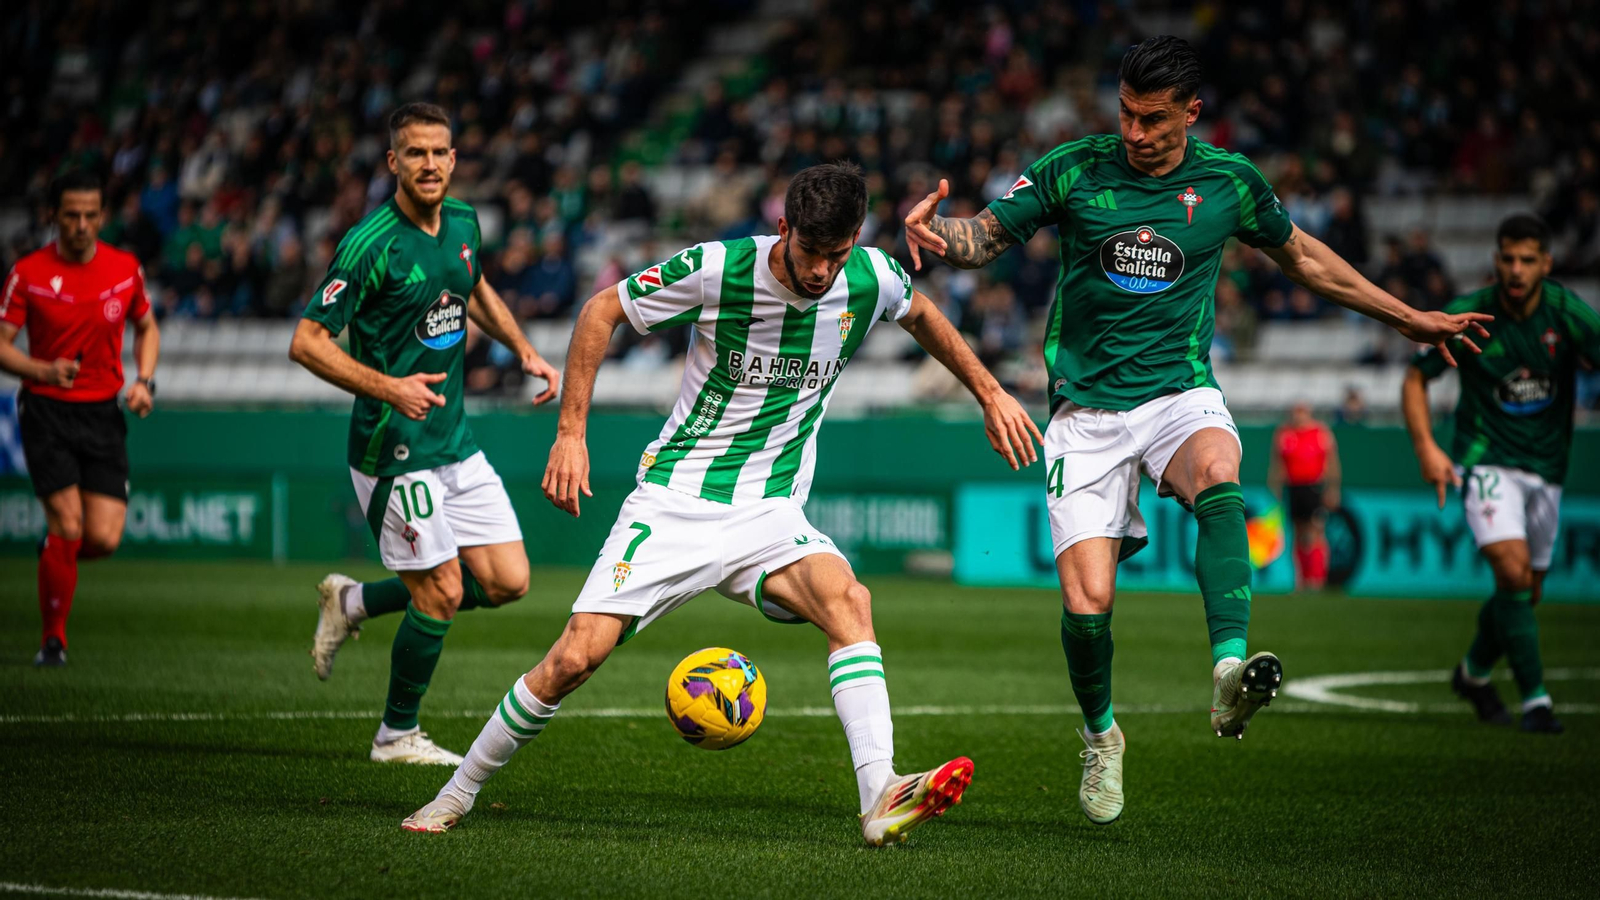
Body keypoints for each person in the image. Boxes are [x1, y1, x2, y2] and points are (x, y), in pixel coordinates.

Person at [903, 36, 1492, 826]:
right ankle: (1101, 735)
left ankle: (1226, 670)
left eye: (1151, 119)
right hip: (1086, 413)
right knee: (1089, 604)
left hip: (1180, 391)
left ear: (1191, 112)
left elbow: (1310, 262)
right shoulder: (1074, 168)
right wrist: (943, 238)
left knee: (1219, 473)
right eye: (1124, 114)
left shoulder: (1228, 184)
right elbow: (988, 236)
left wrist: (1409, 318)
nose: (1134, 133)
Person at [401, 163, 1043, 846]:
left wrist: (990, 391)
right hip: (676, 500)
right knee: (574, 660)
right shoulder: (718, 268)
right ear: (782, 228)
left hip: (769, 513)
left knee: (849, 601)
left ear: (855, 239)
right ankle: (457, 790)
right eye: (809, 252)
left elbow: (922, 315)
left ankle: (879, 792)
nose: (823, 271)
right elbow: (601, 311)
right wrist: (570, 433)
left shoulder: (872, 277)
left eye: (837, 253)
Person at [288, 103, 562, 765]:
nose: (430, 164)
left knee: (507, 581)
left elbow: (476, 288)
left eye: (440, 152)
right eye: (415, 153)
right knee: (439, 591)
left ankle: (352, 600)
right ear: (393, 163)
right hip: (392, 450)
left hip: (454, 441)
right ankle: (394, 736)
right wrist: (390, 388)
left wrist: (523, 349)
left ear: (455, 159)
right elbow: (305, 342)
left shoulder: (465, 222)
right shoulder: (369, 244)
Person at [1402, 214, 1598, 736]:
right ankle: (1537, 702)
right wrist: (1426, 447)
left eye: (1527, 260)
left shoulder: (1568, 315)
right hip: (1485, 460)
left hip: (1548, 469)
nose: (1516, 270)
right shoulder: (1471, 314)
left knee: (1525, 593)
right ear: (1496, 260)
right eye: (1508, 258)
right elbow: (1416, 380)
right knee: (1511, 574)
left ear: (1546, 264)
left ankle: (1473, 674)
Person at [0, 170, 160, 667]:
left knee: (103, 539)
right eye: (71, 215)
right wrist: (42, 369)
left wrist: (144, 380)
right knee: (69, 523)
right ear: (54, 215)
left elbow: (146, 326)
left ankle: (53, 555)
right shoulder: (27, 273)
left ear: (103, 217)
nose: (82, 225)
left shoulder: (124, 268)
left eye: (91, 215)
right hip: (46, 411)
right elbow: (2, 344)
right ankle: (54, 641)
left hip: (103, 413)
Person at [1268, 401, 1340, 590]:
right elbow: (1277, 463)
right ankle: (1302, 579)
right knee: (1298, 532)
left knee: (1316, 531)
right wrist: (1275, 485)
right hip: (1293, 487)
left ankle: (1317, 579)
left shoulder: (1320, 433)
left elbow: (1332, 463)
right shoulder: (1284, 434)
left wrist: (1332, 488)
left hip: (1314, 486)